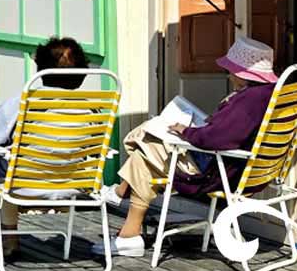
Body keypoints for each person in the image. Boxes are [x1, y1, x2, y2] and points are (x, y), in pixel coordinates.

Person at [92, 35, 278, 258]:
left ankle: (125, 213)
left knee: (145, 146)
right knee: (147, 147)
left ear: (240, 72)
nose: (228, 74)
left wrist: (187, 132)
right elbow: (229, 131)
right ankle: (125, 216)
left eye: (230, 70)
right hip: (243, 167)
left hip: (216, 168)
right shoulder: (267, 94)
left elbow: (215, 139)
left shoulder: (249, 101)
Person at [0, 37, 91, 257]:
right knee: (10, 163)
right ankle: (9, 237)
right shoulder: (92, 109)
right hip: (73, 182)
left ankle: (8, 237)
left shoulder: (23, 102)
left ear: (40, 69)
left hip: (23, 182)